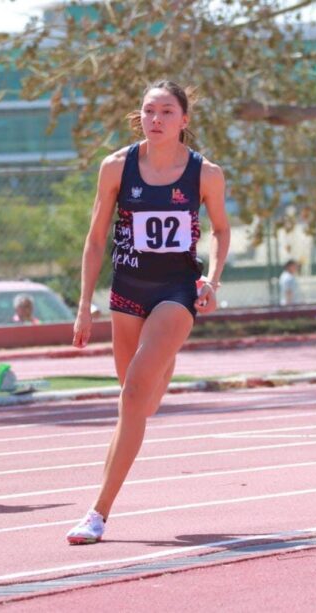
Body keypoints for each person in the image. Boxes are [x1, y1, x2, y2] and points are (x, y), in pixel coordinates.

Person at [66, 80, 231, 544]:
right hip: (127, 291)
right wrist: (84, 306)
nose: (155, 119)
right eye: (148, 111)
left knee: (135, 393)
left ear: (184, 120)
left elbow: (220, 229)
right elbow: (96, 237)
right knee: (138, 402)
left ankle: (97, 513)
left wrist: (212, 281)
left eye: (166, 112)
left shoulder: (206, 174)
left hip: (176, 291)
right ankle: (165, 359)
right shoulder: (116, 167)